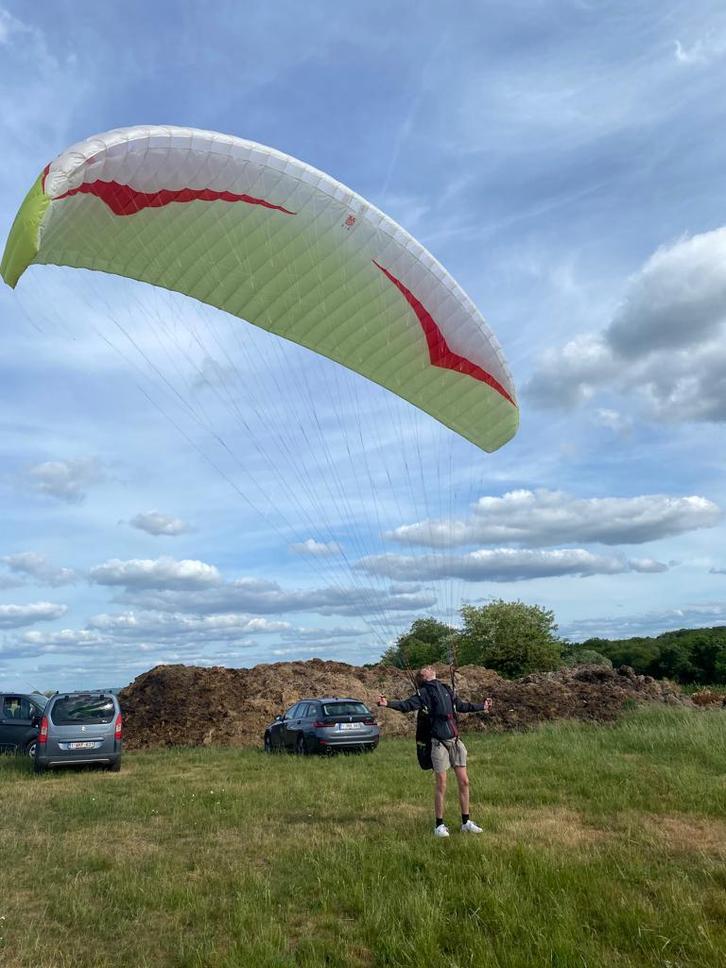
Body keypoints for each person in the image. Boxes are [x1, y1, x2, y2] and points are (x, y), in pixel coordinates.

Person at [378, 666, 492, 838]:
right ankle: (439, 826)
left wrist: (481, 706)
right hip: (438, 743)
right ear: (424, 677)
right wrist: (388, 704)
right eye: (426, 669)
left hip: (455, 741)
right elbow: (406, 705)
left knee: (464, 781)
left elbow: (461, 706)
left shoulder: (445, 688)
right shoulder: (423, 693)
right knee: (442, 783)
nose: (430, 667)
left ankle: (466, 822)